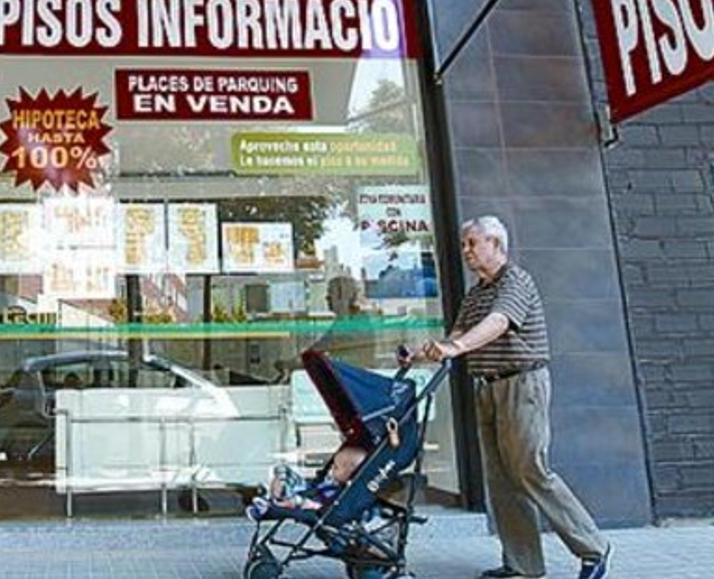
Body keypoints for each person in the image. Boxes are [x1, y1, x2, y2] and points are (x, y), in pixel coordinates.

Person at [401, 216, 611, 579]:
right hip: (488, 386)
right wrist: (419, 354)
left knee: (530, 469)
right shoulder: (476, 293)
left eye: (472, 243)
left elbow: (498, 323)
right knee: (500, 478)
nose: (466, 251)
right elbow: (456, 336)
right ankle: (523, 565)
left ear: (496, 244)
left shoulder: (516, 280)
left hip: (522, 384)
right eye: (465, 244)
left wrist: (457, 347)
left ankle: (593, 548)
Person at [246, 445, 365, 521]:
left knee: (298, 501)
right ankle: (273, 496)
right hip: (310, 491)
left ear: (351, 473)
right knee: (283, 471)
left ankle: (271, 506)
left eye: (337, 468)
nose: (332, 469)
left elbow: (325, 506)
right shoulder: (334, 483)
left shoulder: (345, 492)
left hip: (315, 505)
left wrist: (312, 503)